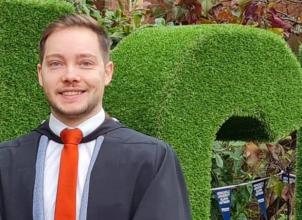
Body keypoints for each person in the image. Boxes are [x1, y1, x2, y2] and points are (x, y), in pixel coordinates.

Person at [0, 14, 191, 220]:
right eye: (56, 63)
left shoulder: (151, 160)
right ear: (40, 74)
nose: (70, 75)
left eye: (85, 63)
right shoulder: (6, 162)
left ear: (107, 72)